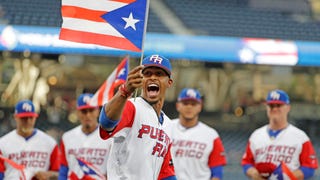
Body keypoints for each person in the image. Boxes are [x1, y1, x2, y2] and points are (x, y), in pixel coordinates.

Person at [99, 54, 176, 180]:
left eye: (159, 74)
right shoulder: (132, 106)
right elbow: (106, 123)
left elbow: (165, 173)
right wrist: (124, 91)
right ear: (141, 79)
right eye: (147, 74)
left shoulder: (168, 124)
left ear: (169, 82)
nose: (153, 77)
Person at [241, 89, 319, 179]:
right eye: (271, 106)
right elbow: (246, 163)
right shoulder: (256, 135)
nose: (274, 109)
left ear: (288, 107)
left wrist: (287, 177)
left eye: (278, 105)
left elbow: (309, 167)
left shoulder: (300, 137)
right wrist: (254, 173)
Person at [168, 88, 227, 180]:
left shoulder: (211, 135)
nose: (189, 107)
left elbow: (217, 172)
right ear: (177, 105)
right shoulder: (166, 128)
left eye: (193, 104)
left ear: (200, 107)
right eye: (185, 103)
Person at [0, 100, 60, 180]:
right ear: (15, 117)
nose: (28, 121)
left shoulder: (49, 143)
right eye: (24, 118)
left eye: (30, 118)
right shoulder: (3, 143)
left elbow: (61, 174)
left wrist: (49, 175)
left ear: (35, 118)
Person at [58, 93, 110, 179]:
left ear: (97, 111)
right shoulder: (67, 137)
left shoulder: (109, 137)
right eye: (84, 111)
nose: (88, 115)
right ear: (78, 113)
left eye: (91, 110)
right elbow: (64, 168)